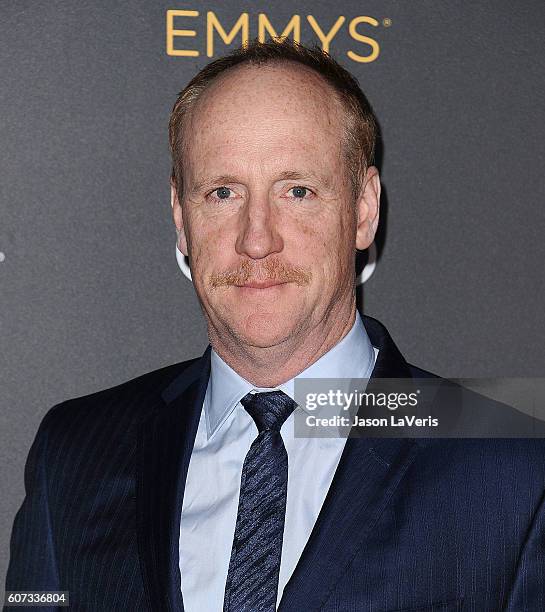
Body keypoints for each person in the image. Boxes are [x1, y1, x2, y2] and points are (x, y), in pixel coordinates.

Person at [5, 39, 545, 612]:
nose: (257, 239)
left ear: (363, 208)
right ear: (181, 218)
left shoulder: (511, 456)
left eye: (297, 191)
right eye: (222, 192)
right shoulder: (76, 450)